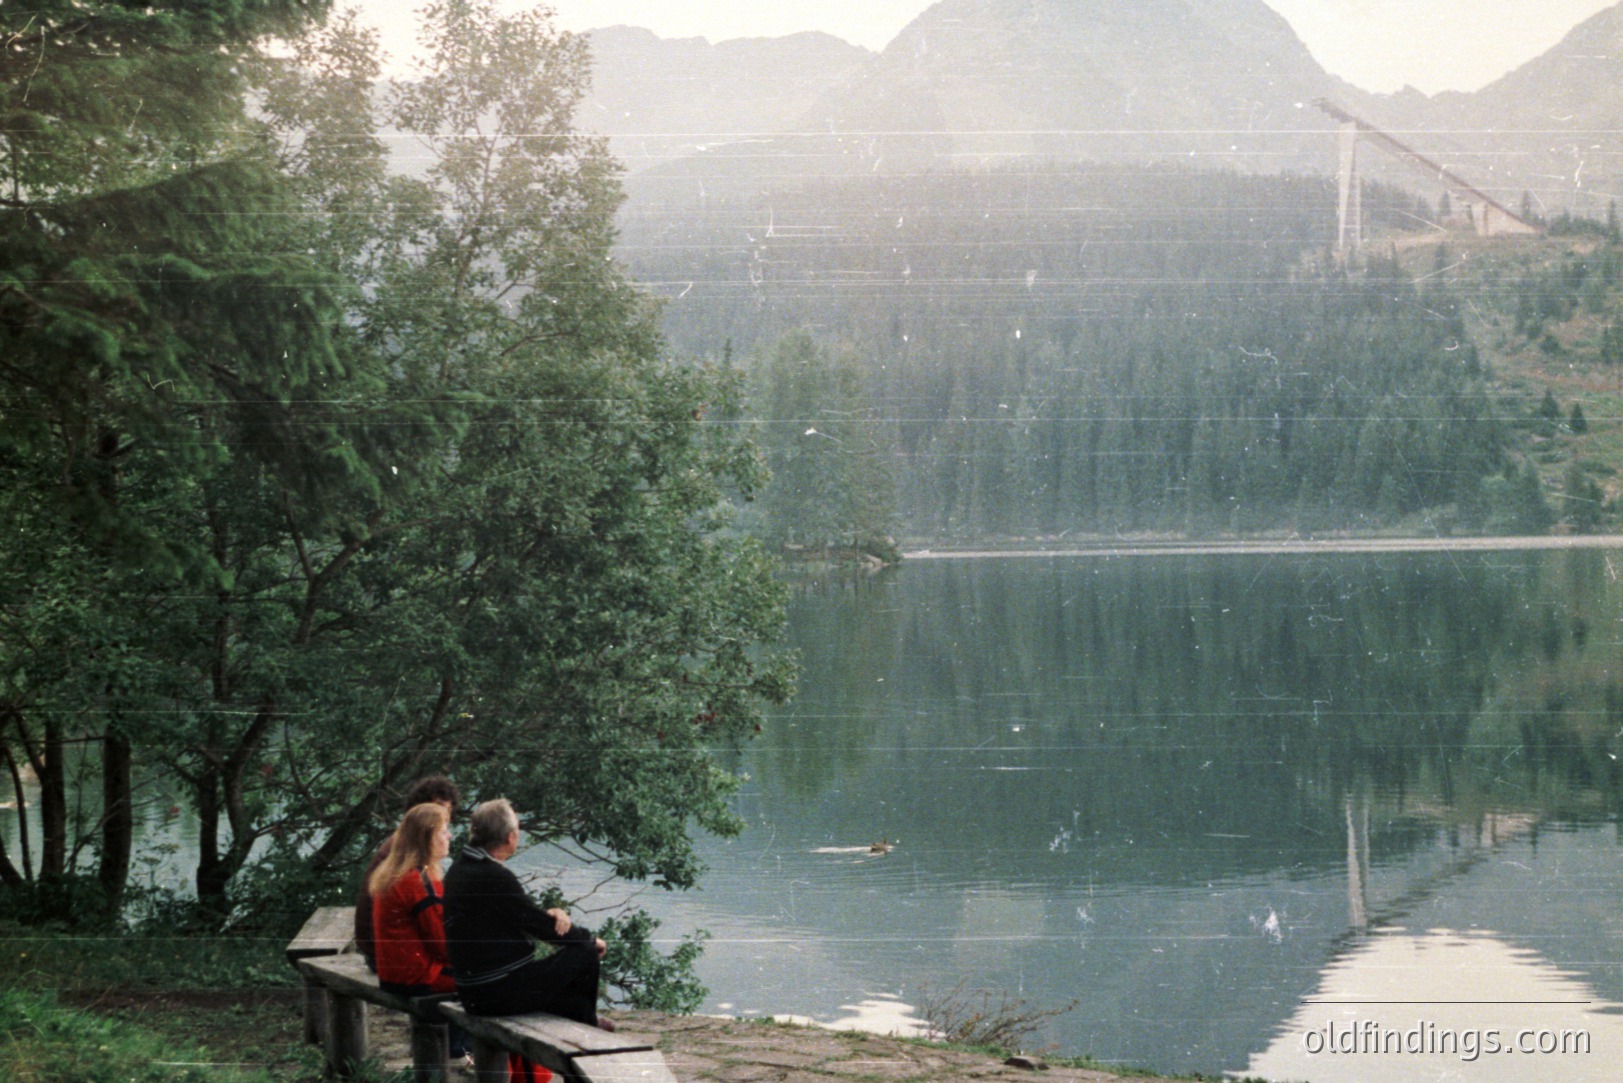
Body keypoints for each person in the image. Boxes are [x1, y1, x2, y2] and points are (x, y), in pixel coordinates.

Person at [442, 798, 609, 1029]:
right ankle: (587, 1025)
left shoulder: (459, 869)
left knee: (572, 975)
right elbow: (537, 925)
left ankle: (581, 1017)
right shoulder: (492, 875)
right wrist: (589, 939)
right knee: (585, 952)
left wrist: (552, 915)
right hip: (495, 992)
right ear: (510, 837)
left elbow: (522, 913)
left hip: (473, 990)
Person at [368, 801, 472, 1061]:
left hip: (394, 974)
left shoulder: (396, 872)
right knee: (482, 980)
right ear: (427, 837)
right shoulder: (418, 881)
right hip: (417, 977)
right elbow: (442, 945)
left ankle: (458, 1048)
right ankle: (458, 1051)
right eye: (444, 830)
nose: (449, 836)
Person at [356, 775, 461, 971]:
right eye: (437, 806)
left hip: (386, 952)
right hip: (383, 955)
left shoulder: (406, 845)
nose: (442, 814)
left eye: (447, 810)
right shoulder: (405, 855)